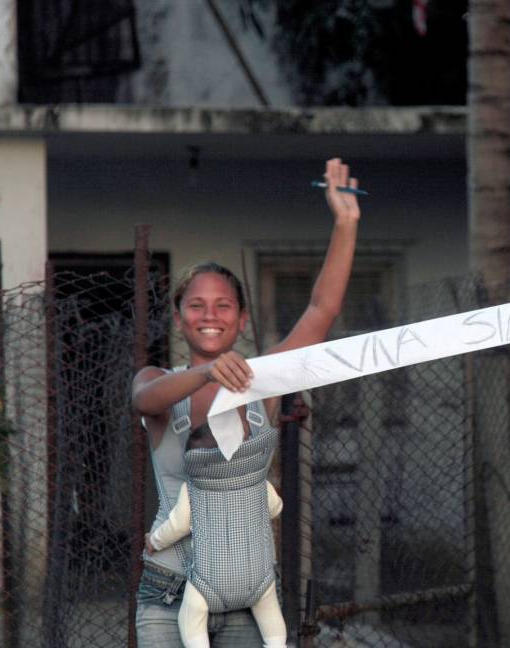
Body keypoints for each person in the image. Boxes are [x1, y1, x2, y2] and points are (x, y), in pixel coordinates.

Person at [132, 158, 361, 647]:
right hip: (168, 591)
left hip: (247, 592)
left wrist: (345, 222)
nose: (209, 315)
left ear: (240, 321)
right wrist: (204, 373)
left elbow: (322, 311)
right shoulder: (161, 381)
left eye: (223, 306)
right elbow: (143, 399)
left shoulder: (264, 382)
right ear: (178, 320)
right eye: (196, 305)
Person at [144, 423, 284, 648]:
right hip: (258, 579)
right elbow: (276, 508)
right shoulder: (259, 484)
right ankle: (277, 645)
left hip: (209, 581)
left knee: (189, 619)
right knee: (270, 613)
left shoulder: (191, 489)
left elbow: (178, 526)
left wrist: (154, 540)